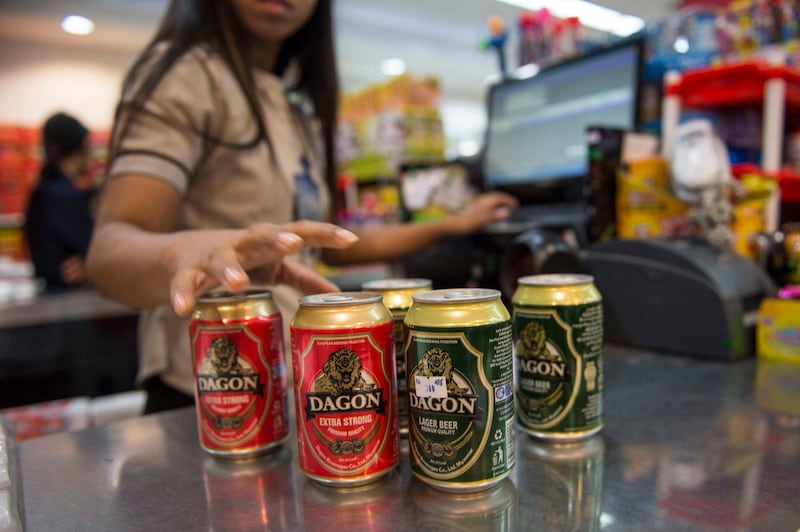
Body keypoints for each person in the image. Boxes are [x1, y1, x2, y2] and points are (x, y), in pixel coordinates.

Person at [86, 0, 517, 414]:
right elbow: (109, 252)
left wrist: (452, 224)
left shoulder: (291, 107)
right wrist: (188, 250)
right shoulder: (186, 75)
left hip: (294, 385)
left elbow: (330, 242)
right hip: (209, 394)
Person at [25, 112, 97, 290]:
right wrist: (94, 266)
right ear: (81, 147)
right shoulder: (65, 197)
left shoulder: (43, 191)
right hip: (70, 301)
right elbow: (100, 248)